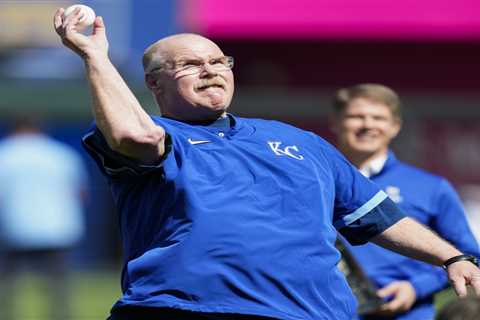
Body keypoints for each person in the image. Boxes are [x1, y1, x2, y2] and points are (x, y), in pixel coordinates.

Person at [53, 8, 480, 320]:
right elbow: (135, 135)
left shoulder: (302, 142)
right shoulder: (166, 139)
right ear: (154, 82)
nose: (210, 71)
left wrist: (451, 257)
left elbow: (376, 217)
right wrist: (96, 56)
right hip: (185, 309)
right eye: (190, 65)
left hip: (312, 314)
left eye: (219, 62)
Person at [330, 83, 480, 320]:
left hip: (408, 314)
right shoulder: (316, 182)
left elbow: (468, 255)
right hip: (327, 312)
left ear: (395, 126)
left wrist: (416, 287)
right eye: (357, 116)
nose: (368, 124)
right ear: (336, 123)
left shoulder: (431, 187)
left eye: (378, 117)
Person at [0, 115, 88, 320]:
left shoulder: (5, 154)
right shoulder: (61, 153)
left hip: (16, 226)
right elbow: (80, 192)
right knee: (58, 285)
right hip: (57, 226)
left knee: (9, 283)